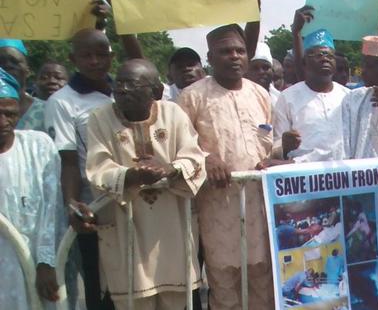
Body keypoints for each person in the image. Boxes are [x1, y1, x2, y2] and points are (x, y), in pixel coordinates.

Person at [85, 59, 206, 309]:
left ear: (155, 91)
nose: (123, 90)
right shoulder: (100, 118)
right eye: (119, 83)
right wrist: (132, 176)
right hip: (125, 224)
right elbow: (97, 166)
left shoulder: (172, 113)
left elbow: (194, 155)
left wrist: (171, 170)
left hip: (172, 225)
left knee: (176, 297)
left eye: (132, 84)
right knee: (132, 297)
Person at [177, 24, 275, 310]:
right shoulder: (192, 97)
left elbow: (267, 144)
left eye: (240, 50)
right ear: (210, 57)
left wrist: (280, 153)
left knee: (262, 285)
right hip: (217, 208)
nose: (234, 56)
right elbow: (179, 146)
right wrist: (205, 159)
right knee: (224, 288)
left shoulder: (260, 94)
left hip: (258, 208)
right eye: (225, 51)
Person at [46, 25, 136, 310]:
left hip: (134, 203)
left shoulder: (122, 91)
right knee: (103, 289)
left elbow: (141, 63)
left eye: (101, 54)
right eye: (86, 55)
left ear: (111, 56)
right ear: (73, 59)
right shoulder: (62, 102)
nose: (95, 61)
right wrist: (72, 204)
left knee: (138, 282)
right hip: (94, 209)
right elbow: (68, 161)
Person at [0, 68, 62, 309]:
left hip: (36, 261)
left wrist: (46, 262)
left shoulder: (38, 146)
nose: (3, 122)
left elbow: (52, 206)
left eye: (10, 114)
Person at [273, 29, 349, 162]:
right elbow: (277, 144)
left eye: (329, 56)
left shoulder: (348, 97)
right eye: (318, 55)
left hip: (344, 176)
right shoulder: (287, 98)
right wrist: (284, 146)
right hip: (304, 176)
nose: (325, 58)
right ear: (304, 63)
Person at [0, 39, 46, 132]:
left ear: (27, 70)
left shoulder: (47, 110)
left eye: (14, 61)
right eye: (1, 62)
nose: (7, 66)